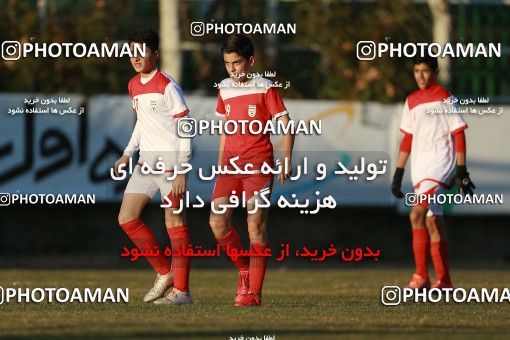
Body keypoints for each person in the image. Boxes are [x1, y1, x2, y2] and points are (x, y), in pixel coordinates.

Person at [209, 34, 294, 307]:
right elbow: (226, 128)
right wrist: (221, 162)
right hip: (230, 168)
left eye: (237, 63)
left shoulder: (265, 87)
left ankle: (254, 293)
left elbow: (286, 124)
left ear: (251, 61)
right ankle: (245, 271)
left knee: (255, 226)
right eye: (227, 63)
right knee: (217, 223)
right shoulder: (223, 88)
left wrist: (287, 159)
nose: (233, 69)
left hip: (259, 165)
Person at [114, 28, 192, 304]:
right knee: (127, 218)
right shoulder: (134, 85)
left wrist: (182, 168)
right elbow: (141, 125)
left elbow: (185, 126)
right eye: (131, 52)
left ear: (154, 54)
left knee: (175, 224)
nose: (136, 58)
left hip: (170, 163)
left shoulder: (168, 86)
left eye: (141, 52)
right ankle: (164, 272)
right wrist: (126, 154)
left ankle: (182, 292)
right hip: (146, 163)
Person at [391, 54, 475, 289]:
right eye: (416, 71)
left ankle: (420, 276)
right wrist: (398, 173)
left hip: (441, 164)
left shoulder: (445, 98)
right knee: (432, 222)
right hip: (421, 168)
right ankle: (445, 281)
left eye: (425, 71)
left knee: (415, 214)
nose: (420, 76)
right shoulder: (411, 101)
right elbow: (408, 138)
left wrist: (461, 169)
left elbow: (458, 133)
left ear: (435, 73)